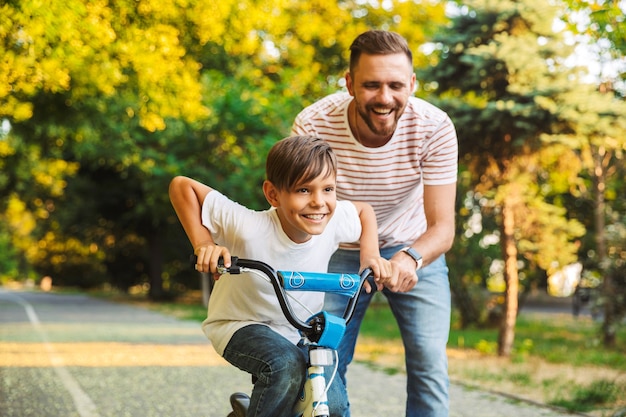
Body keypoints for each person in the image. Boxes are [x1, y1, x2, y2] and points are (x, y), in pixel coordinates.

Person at [291, 30, 458, 417]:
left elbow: (443, 227)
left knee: (430, 364)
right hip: (336, 250)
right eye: (371, 85)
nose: (385, 97)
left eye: (396, 85)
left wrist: (407, 260)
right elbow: (299, 210)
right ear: (349, 83)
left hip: (412, 248)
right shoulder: (314, 124)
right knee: (323, 359)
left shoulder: (434, 127)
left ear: (412, 84)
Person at [169, 135, 392, 417]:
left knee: (332, 400)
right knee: (284, 365)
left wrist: (370, 255)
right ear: (273, 195)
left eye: (328, 189)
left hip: (296, 329)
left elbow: (363, 211)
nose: (319, 202)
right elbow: (182, 186)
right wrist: (204, 244)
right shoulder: (248, 226)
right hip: (239, 325)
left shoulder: (332, 221)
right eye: (303, 190)